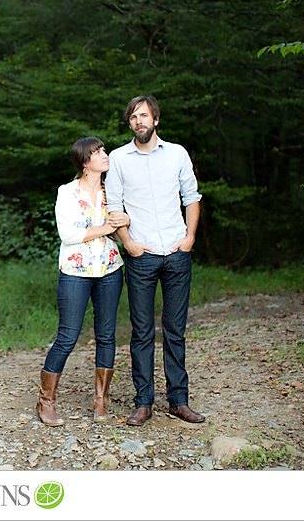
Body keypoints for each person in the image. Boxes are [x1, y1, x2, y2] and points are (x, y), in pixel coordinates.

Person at [105, 95, 206, 426]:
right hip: (142, 256)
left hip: (176, 253)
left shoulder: (177, 154)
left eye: (144, 116)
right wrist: (129, 244)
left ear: (156, 120)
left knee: (175, 330)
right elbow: (115, 208)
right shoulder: (118, 159)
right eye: (133, 117)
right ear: (129, 123)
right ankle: (143, 402)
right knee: (142, 331)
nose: (139, 122)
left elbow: (191, 198)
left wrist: (189, 238)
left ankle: (178, 400)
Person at [37, 137, 130, 426]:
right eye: (98, 152)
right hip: (76, 273)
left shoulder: (112, 191)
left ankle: (101, 401)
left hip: (110, 270)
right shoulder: (67, 192)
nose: (105, 155)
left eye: (103, 150)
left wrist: (121, 222)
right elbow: (69, 235)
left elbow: (123, 226)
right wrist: (107, 226)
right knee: (67, 336)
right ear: (84, 162)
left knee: (107, 336)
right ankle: (46, 401)